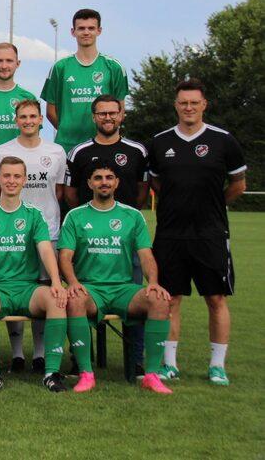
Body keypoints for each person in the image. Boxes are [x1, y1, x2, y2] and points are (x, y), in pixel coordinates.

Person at [147, 78, 246, 386]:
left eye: (194, 102)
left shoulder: (223, 140)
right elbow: (156, 184)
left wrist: (212, 206)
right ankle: (170, 364)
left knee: (215, 298)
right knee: (170, 299)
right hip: (171, 235)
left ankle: (217, 366)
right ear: (175, 106)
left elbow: (237, 185)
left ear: (204, 104)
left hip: (210, 234)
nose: (188, 107)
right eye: (183, 103)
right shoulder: (160, 142)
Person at [59, 161, 172, 394]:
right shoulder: (75, 216)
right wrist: (73, 283)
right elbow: (65, 257)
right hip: (91, 289)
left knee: (160, 300)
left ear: (117, 182)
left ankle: (151, 375)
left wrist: (153, 282)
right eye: (98, 178)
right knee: (75, 300)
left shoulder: (132, 216)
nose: (104, 182)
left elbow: (146, 256)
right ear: (89, 183)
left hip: (124, 289)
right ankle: (86, 373)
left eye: (109, 177)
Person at [0, 156, 69, 392]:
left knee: (56, 298)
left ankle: (51, 373)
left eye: (16, 176)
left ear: (24, 180)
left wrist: (56, 281)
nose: (11, 181)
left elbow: (45, 249)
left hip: (27, 288)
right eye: (6, 176)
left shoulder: (34, 214)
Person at [65, 94, 149, 373]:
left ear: (122, 114)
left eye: (113, 113)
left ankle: (135, 361)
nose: (108, 118)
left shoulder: (137, 150)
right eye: (102, 113)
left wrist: (123, 222)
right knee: (79, 298)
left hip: (125, 241)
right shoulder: (80, 152)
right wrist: (89, 222)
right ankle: (80, 361)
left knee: (135, 305)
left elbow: (141, 191)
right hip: (90, 241)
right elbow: (70, 193)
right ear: (94, 117)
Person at [0, 100, 67, 373]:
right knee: (13, 284)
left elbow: (57, 191)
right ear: (16, 120)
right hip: (10, 231)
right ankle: (18, 353)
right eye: (23, 116)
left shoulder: (56, 151)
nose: (28, 120)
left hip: (47, 229)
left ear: (41, 119)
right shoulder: (1, 151)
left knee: (43, 287)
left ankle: (41, 354)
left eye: (33, 116)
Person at [41, 9, 129, 154]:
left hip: (104, 145)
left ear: (99, 31)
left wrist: (105, 134)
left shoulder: (114, 67)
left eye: (91, 28)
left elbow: (120, 110)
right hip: (67, 146)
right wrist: (67, 131)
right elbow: (50, 111)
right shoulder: (60, 68)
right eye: (81, 28)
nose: (86, 32)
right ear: (73, 32)